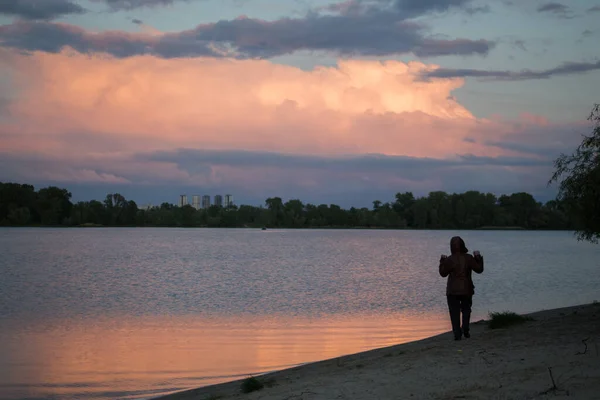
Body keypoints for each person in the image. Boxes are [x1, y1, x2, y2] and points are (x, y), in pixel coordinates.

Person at [439, 236, 484, 341]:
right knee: (466, 310)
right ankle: (465, 329)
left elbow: (443, 273)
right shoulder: (468, 258)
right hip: (466, 289)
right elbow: (479, 269)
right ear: (463, 245)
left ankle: (457, 334)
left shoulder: (449, 259)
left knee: (454, 312)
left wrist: (442, 262)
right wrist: (478, 258)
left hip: (452, 291)